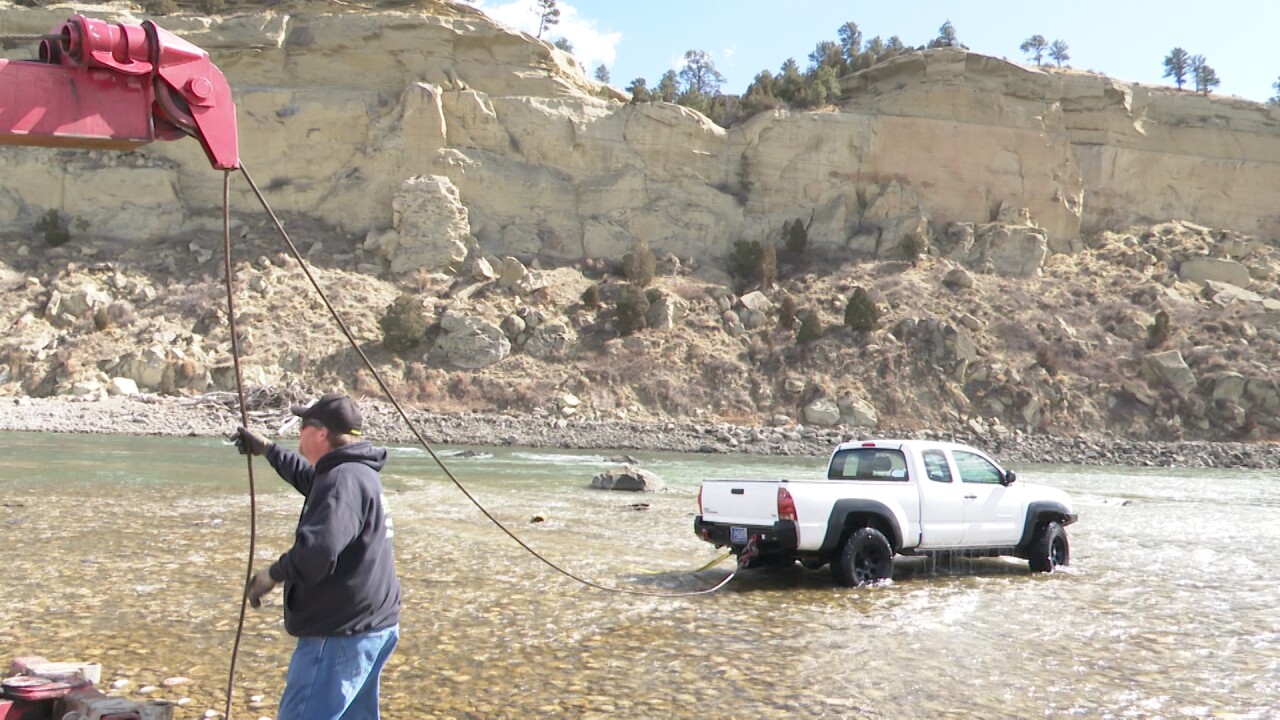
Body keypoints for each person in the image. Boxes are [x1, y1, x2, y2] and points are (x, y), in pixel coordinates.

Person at [234, 393, 401, 720]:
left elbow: (318, 552)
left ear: (321, 433)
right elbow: (311, 481)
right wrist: (268, 450)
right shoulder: (355, 473)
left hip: (340, 633)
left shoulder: (341, 481)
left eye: (303, 425)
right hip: (371, 626)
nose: (299, 431)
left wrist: (272, 574)